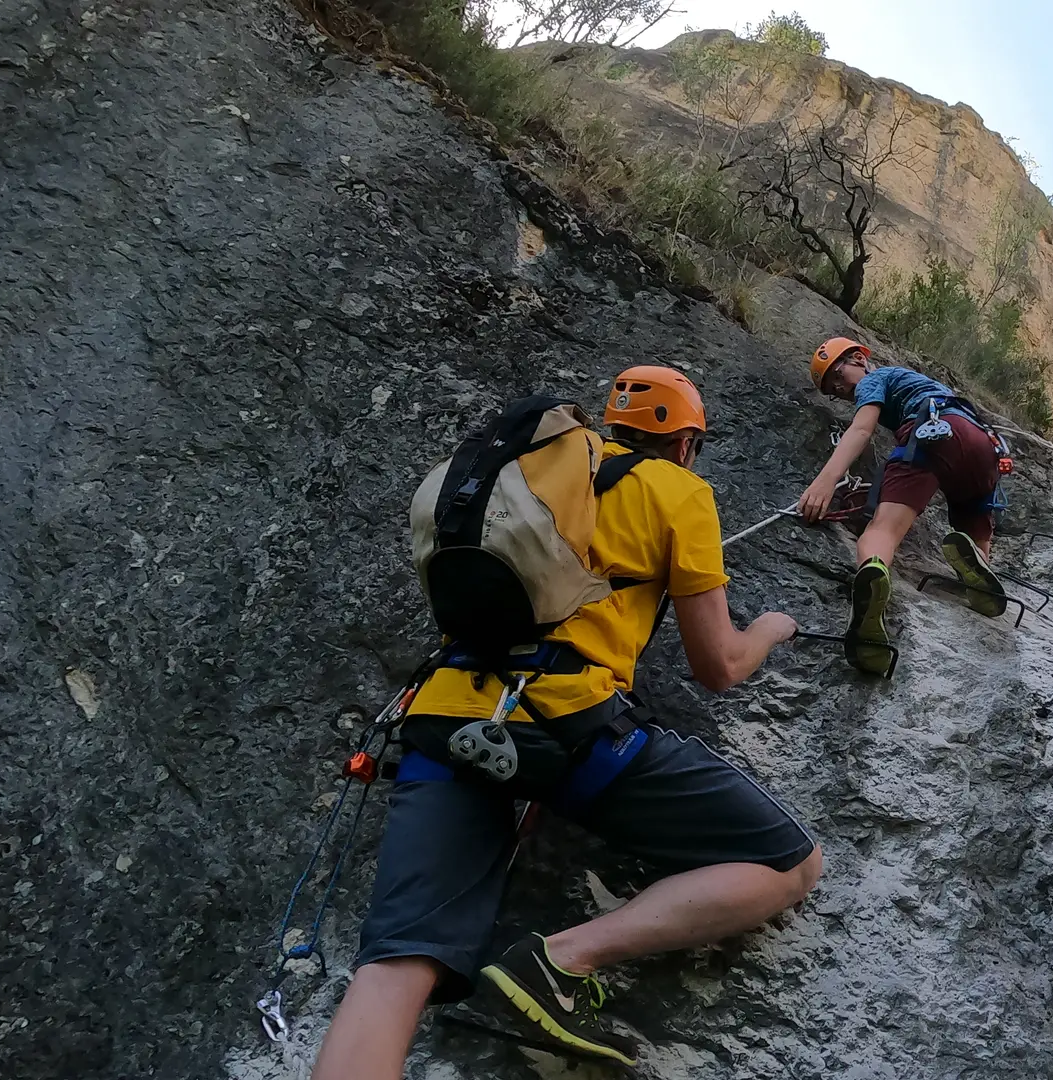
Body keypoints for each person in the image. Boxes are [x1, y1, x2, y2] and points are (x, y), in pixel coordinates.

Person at [311, 367, 818, 1078]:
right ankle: (561, 960)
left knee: (395, 965)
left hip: (444, 715)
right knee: (789, 862)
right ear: (685, 444)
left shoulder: (530, 481)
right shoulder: (679, 491)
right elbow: (721, 666)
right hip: (567, 728)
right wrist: (771, 627)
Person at [798, 337, 1008, 672]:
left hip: (932, 431)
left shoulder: (873, 379)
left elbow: (862, 428)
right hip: (982, 442)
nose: (837, 389)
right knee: (973, 523)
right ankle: (979, 566)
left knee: (882, 528)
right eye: (830, 389)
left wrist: (823, 483)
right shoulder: (922, 383)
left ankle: (874, 568)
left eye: (837, 376)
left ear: (858, 359)